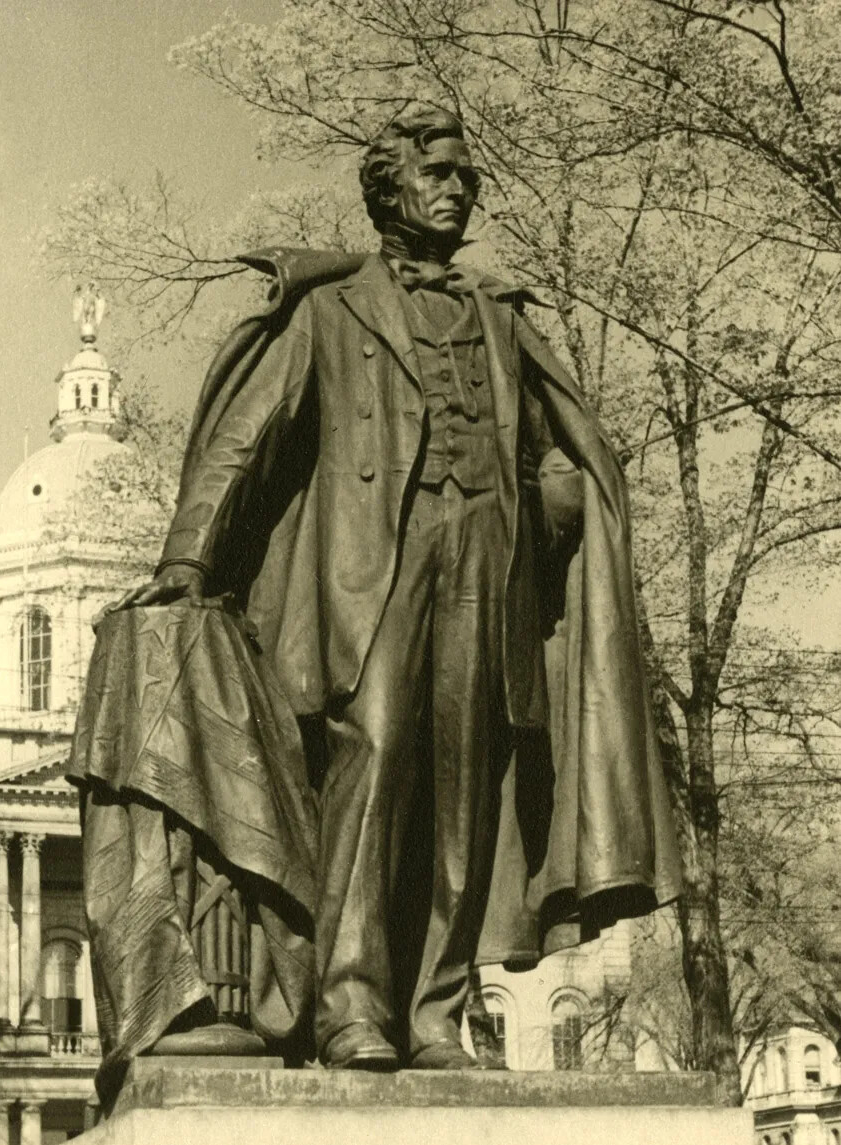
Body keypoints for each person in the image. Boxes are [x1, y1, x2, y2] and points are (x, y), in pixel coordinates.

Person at [109, 104, 681, 1071]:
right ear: (391, 189)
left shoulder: (502, 321)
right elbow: (247, 441)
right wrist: (186, 563)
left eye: (467, 177)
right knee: (373, 763)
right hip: (372, 573)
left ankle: (434, 1014)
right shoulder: (330, 313)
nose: (459, 189)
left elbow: (550, 450)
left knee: (466, 792)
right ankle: (350, 1007)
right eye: (441, 173)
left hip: (486, 569)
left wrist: (556, 493)